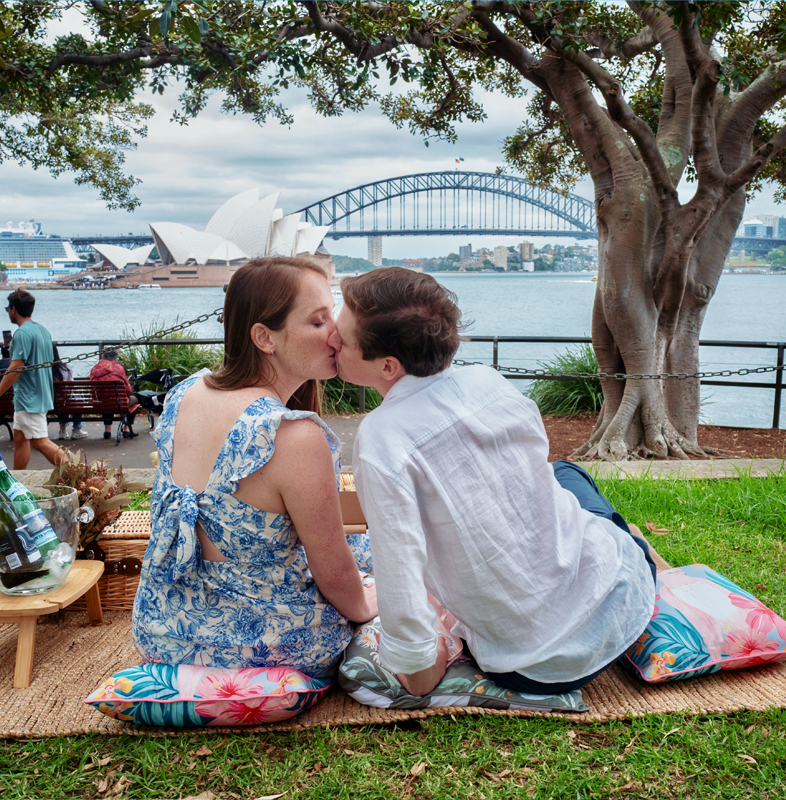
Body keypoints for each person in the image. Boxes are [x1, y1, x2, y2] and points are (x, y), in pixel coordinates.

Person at [330, 267, 658, 696]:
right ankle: (637, 546)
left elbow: (398, 561)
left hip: (533, 664)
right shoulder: (489, 382)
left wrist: (415, 667)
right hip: (625, 598)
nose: (331, 340)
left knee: (564, 474)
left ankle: (628, 540)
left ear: (388, 366)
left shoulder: (382, 438)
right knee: (565, 474)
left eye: (342, 338)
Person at [132, 257, 377, 679]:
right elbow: (335, 574)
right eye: (318, 321)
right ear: (264, 337)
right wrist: (370, 606)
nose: (336, 334)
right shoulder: (293, 436)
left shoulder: (184, 395)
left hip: (163, 634)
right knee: (389, 568)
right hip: (264, 648)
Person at [0, 289, 63, 470]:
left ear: (13, 309)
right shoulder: (43, 330)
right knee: (20, 439)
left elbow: (15, 368)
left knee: (40, 442)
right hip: (40, 394)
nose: (8, 312)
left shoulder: (21, 334)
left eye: (8, 308)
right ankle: (18, 479)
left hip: (29, 398)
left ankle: (79, 474)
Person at [88, 349, 141, 439]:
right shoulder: (118, 368)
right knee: (134, 400)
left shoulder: (95, 368)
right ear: (115, 358)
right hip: (118, 403)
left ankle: (107, 431)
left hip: (100, 403)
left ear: (102, 356)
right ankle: (127, 429)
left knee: (106, 400)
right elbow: (128, 390)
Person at [51, 344, 87, 441]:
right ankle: (76, 429)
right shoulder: (65, 369)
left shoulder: (40, 370)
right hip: (64, 401)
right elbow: (70, 388)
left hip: (48, 402)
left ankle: (62, 430)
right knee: (75, 400)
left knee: (60, 400)